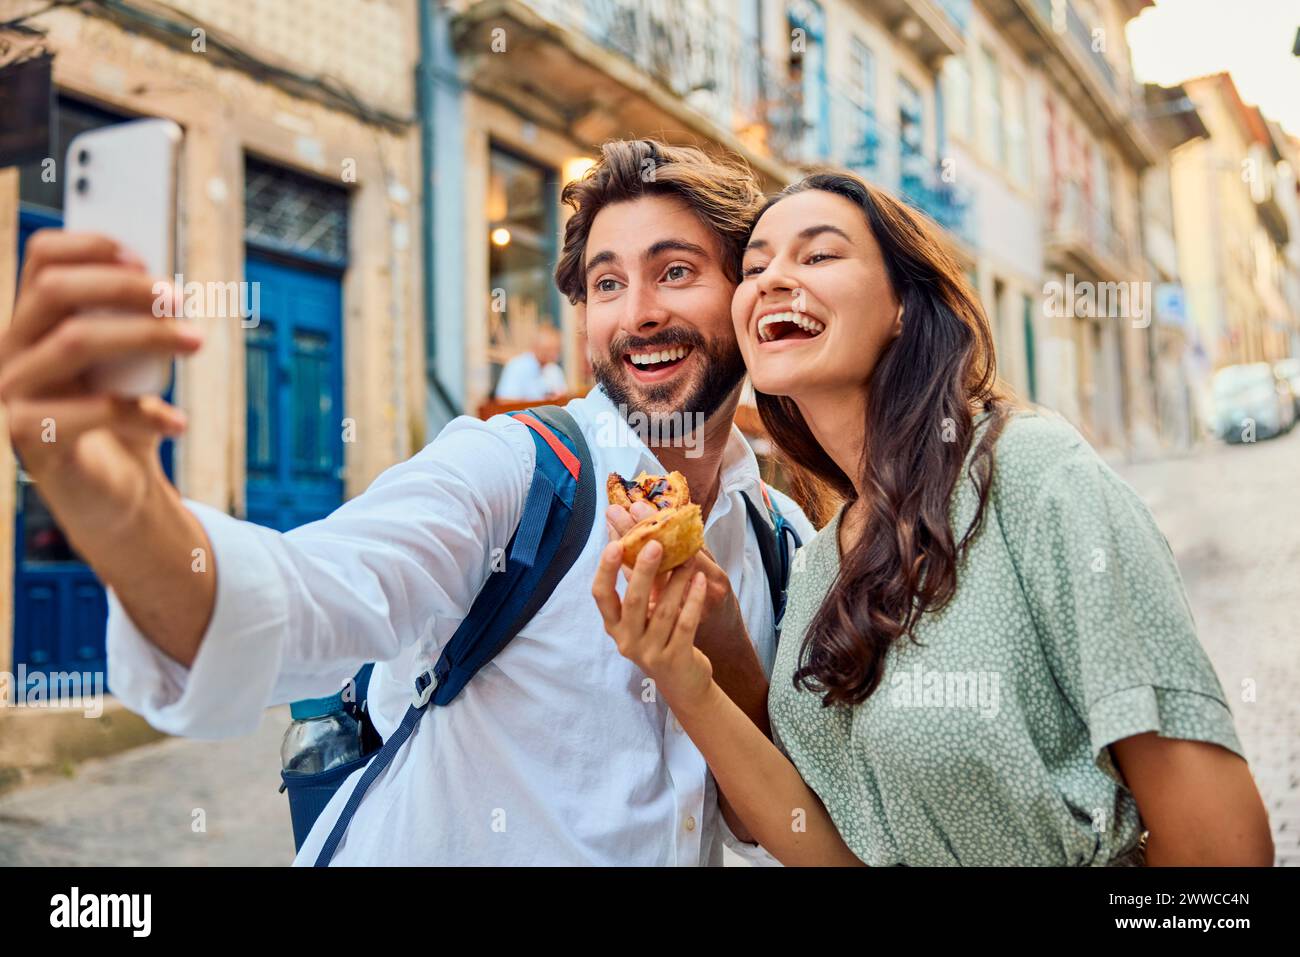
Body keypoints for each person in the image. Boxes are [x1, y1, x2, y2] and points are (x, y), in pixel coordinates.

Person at [0, 139, 812, 865]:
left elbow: (768, 819)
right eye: (608, 283)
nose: (637, 314)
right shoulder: (517, 470)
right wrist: (122, 511)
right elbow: (306, 596)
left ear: (745, 296)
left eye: (675, 272)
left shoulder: (783, 544)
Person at [595, 170, 1275, 866]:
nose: (771, 279)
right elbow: (827, 848)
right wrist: (681, 669)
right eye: (756, 265)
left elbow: (1222, 852)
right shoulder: (822, 560)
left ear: (902, 307)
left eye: (819, 254)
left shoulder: (1031, 474)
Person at [493, 325, 567, 401]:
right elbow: (504, 400)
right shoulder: (516, 366)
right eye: (548, 349)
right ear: (535, 347)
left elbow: (563, 397)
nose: (553, 354)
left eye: (556, 349)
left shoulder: (555, 370)